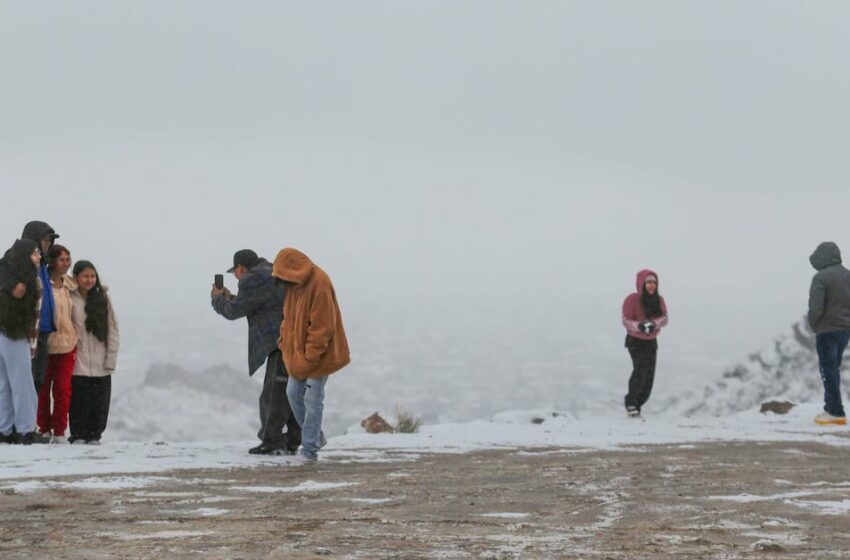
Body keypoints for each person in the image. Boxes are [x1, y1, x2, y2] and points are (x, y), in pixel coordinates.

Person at [211, 249, 301, 455]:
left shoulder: (253, 278)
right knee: (290, 391)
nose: (236, 276)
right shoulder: (272, 271)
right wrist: (231, 297)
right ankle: (293, 440)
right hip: (293, 338)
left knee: (273, 393)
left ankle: (273, 442)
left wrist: (217, 300)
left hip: (279, 341)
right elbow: (258, 302)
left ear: (241, 267)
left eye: (235, 272)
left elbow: (234, 311)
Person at [272, 248, 350, 464]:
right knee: (292, 394)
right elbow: (287, 320)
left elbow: (322, 327)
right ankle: (316, 436)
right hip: (299, 355)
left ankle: (309, 450)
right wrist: (284, 343)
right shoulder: (294, 285)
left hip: (319, 356)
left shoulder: (319, 282)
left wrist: (310, 357)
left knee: (313, 400)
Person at [0, 239, 50, 444]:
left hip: (5, 333)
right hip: (16, 334)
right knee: (23, 384)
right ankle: (25, 429)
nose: (38, 257)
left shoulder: (7, 276)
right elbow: (29, 315)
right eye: (34, 254)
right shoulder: (27, 279)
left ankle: (4, 428)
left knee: (4, 383)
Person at [68, 260, 120, 444]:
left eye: (92, 276)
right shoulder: (69, 297)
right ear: (76, 278)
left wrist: (110, 359)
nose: (89, 280)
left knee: (99, 404)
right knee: (78, 402)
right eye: (85, 276)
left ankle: (95, 436)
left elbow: (112, 330)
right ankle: (78, 435)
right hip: (78, 361)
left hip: (100, 361)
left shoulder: (103, 298)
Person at [37, 244, 78, 443]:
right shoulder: (43, 285)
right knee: (43, 389)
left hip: (67, 345)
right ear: (52, 261)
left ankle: (60, 430)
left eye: (68, 260)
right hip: (46, 345)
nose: (66, 264)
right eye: (62, 260)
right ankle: (44, 428)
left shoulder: (70, 286)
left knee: (63, 389)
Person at [807, 242, 850, 426]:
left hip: (827, 330)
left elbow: (816, 307)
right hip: (845, 330)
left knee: (828, 370)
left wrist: (814, 324)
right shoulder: (848, 275)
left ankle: (835, 411)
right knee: (834, 369)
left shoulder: (820, 278)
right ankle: (830, 407)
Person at [621, 269, 668, 418]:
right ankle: (631, 402)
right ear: (641, 283)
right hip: (635, 341)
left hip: (651, 342)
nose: (651, 285)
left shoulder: (658, 300)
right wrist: (640, 325)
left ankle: (638, 405)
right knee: (640, 369)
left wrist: (654, 324)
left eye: (654, 282)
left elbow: (665, 318)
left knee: (649, 375)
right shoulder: (632, 299)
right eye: (648, 282)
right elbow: (625, 320)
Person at [21, 221, 60, 392]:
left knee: (38, 381)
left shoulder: (43, 264)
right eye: (46, 239)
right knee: (26, 382)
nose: (49, 244)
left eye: (50, 240)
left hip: (43, 332)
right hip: (28, 333)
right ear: (35, 239)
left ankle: (29, 418)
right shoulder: (24, 263)